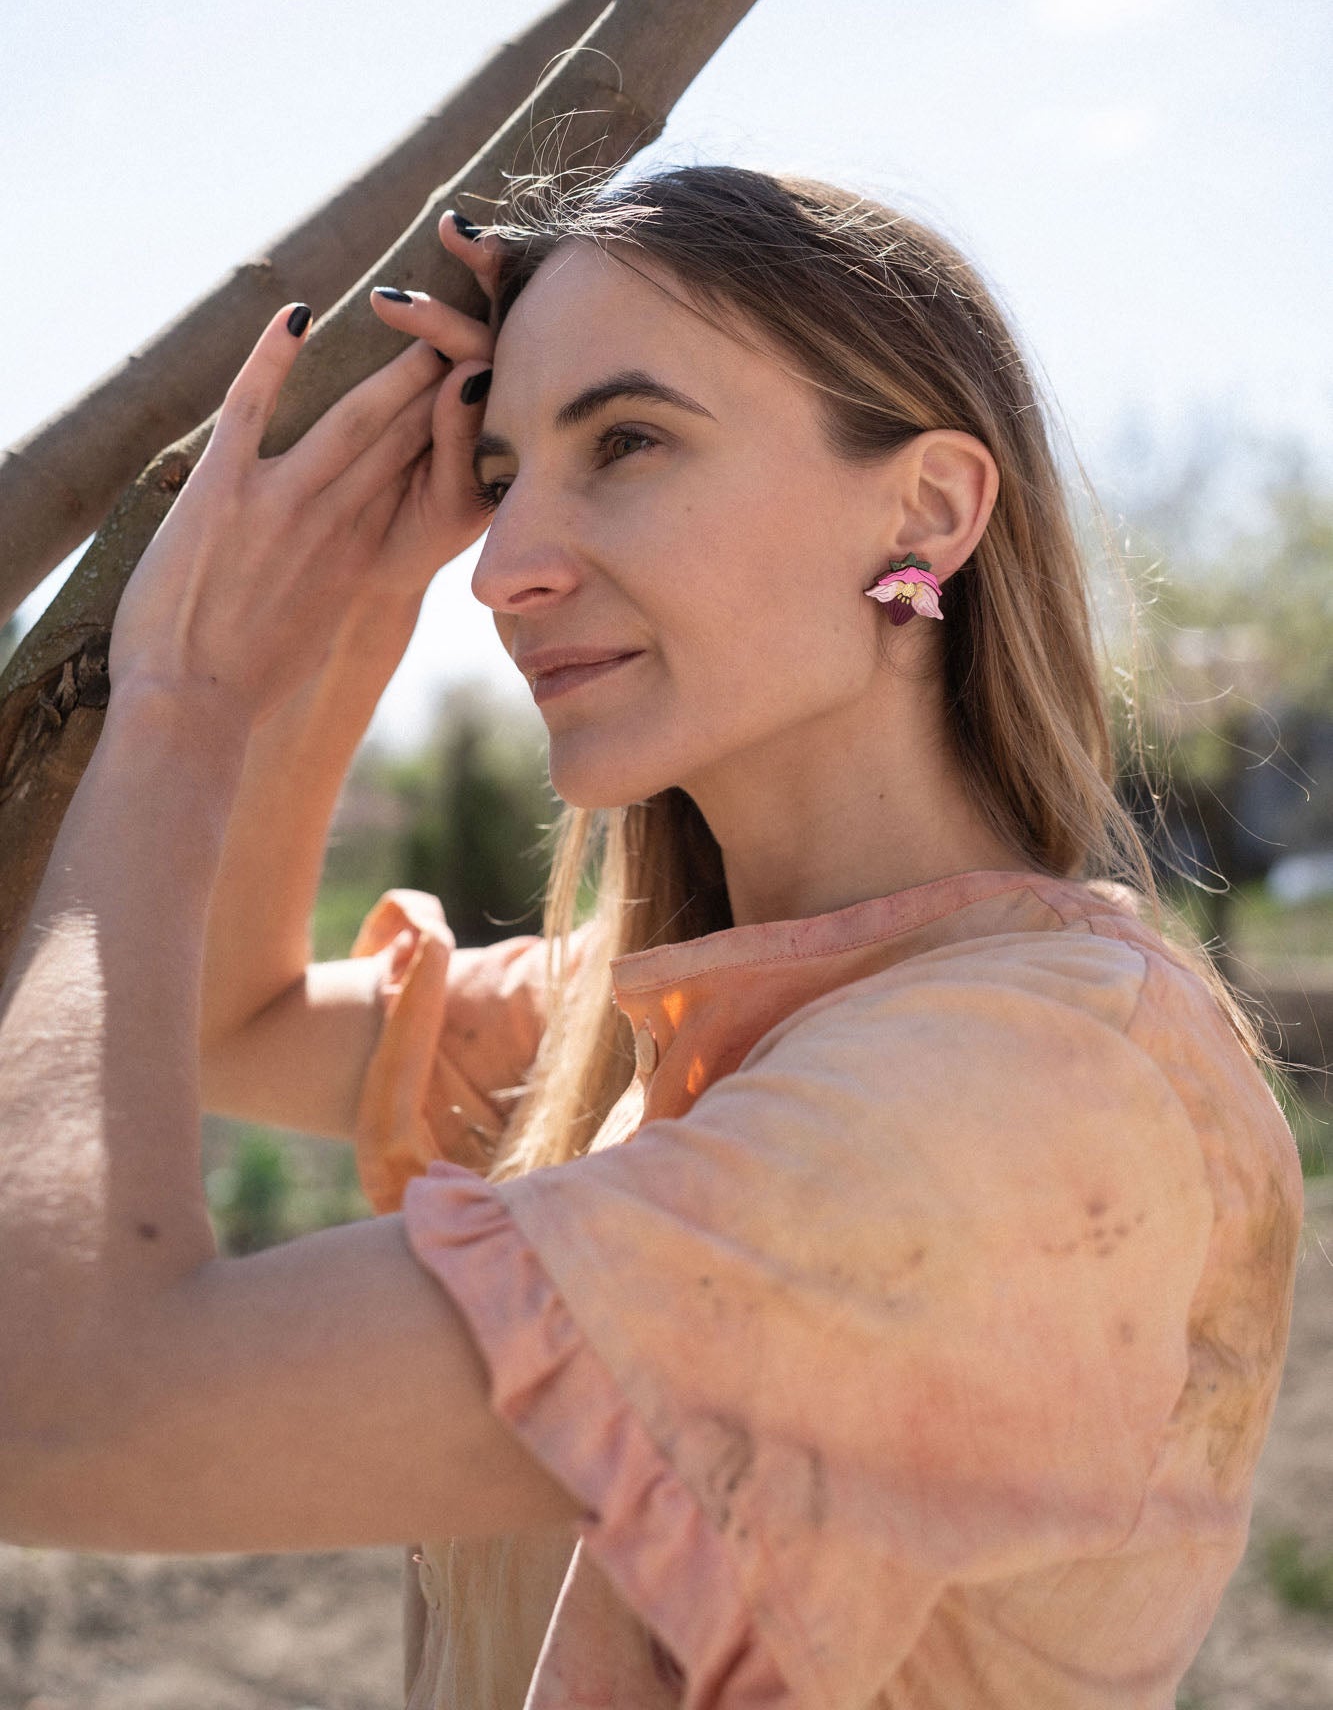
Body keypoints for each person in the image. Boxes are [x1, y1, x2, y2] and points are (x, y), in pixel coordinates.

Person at [0, 164, 1304, 1710]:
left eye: (625, 441)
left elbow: (59, 1410)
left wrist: (183, 708)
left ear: (926, 511)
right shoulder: (684, 1014)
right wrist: (356, 586)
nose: (502, 569)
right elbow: (237, 1019)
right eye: (500, 477)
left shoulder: (1019, 1095)